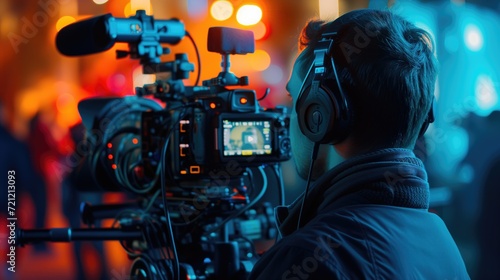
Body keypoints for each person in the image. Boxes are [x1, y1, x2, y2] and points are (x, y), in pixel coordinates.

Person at [248, 9, 469, 279]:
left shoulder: (308, 256)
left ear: (321, 115)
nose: (288, 120)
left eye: (296, 102)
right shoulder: (440, 238)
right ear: (424, 118)